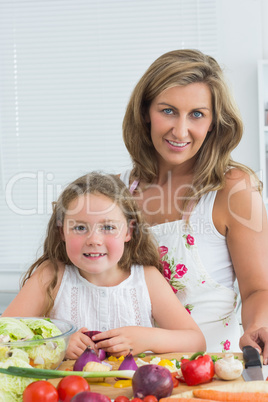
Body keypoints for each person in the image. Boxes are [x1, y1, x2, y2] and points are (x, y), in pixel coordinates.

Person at [120, 49, 268, 363]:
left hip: (212, 370)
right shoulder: (116, 192)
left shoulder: (234, 188)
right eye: (168, 111)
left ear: (214, 122)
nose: (181, 130)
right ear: (146, 111)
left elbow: (258, 288)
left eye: (197, 114)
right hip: (131, 374)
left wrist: (259, 325)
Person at [2, 172, 206, 359]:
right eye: (80, 227)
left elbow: (196, 341)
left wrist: (147, 338)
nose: (94, 240)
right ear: (62, 231)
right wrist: (56, 343)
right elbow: (5, 333)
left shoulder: (147, 278)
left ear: (128, 231)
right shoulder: (51, 276)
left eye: (108, 227)